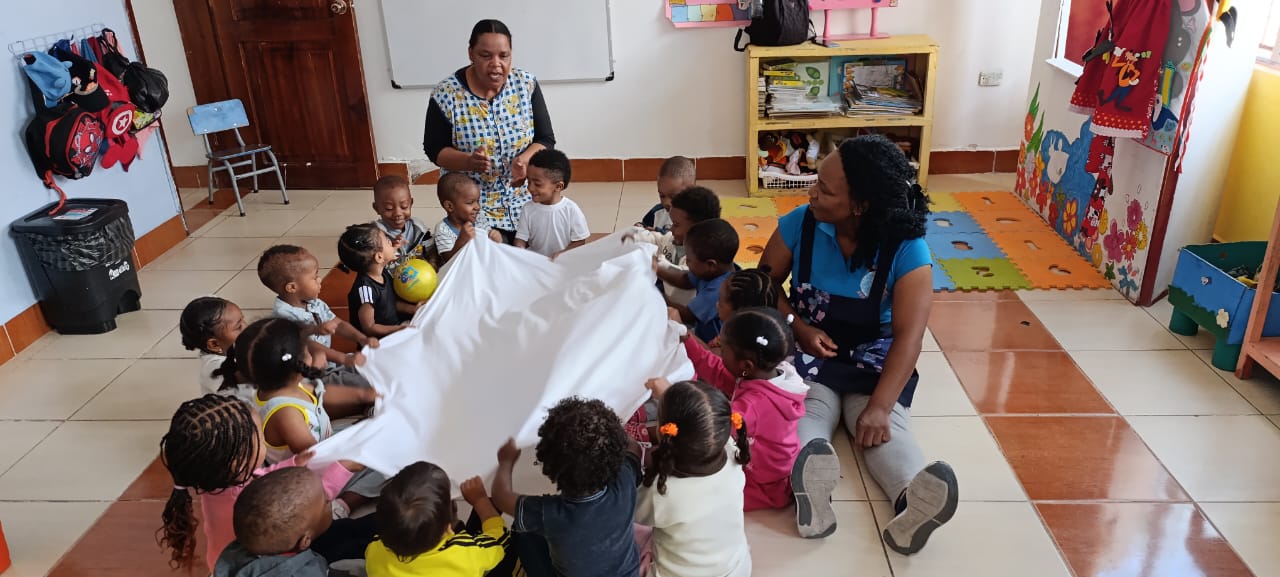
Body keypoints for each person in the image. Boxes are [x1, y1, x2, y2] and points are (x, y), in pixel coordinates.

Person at [758, 134, 958, 552]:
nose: (811, 192)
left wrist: (881, 407)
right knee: (806, 410)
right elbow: (764, 284)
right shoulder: (800, 224)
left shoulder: (907, 249)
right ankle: (812, 488)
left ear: (860, 205)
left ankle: (912, 502)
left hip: (874, 359)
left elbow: (909, 337)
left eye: (825, 189)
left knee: (880, 428)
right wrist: (798, 327)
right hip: (810, 351)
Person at [158, 395, 370, 572]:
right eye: (260, 436)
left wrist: (294, 463)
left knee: (355, 530)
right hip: (264, 565)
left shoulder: (217, 480)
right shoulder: (249, 501)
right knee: (347, 539)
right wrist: (343, 469)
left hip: (243, 556)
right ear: (238, 462)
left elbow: (262, 476)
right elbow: (307, 505)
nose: (264, 438)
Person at [220, 318, 381, 517]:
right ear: (301, 362)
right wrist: (355, 451)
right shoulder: (286, 413)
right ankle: (343, 505)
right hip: (308, 474)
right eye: (307, 349)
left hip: (322, 441)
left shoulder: (286, 384)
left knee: (369, 437)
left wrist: (364, 395)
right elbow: (317, 457)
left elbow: (322, 392)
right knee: (380, 463)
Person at [423, 19, 556, 242]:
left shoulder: (525, 84)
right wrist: (468, 161)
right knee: (493, 250)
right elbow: (434, 150)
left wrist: (524, 160)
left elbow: (545, 138)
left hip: (525, 197)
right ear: (471, 54)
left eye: (504, 56)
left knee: (550, 244)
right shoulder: (446, 94)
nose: (496, 64)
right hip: (474, 205)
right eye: (486, 56)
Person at [491, 397, 641, 577]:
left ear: (550, 468)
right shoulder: (625, 481)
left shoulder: (550, 514)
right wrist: (614, 431)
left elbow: (500, 496)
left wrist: (506, 462)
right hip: (628, 573)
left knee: (521, 530)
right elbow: (634, 447)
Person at [680, 306, 807, 510]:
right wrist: (687, 339)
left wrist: (669, 396)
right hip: (776, 469)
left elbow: (713, 426)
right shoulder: (770, 374)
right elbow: (716, 370)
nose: (718, 349)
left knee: (699, 491)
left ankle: (801, 497)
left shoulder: (755, 404)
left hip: (766, 485)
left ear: (746, 366)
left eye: (723, 350)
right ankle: (800, 487)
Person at [635, 379, 751, 577]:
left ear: (664, 432)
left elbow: (632, 511)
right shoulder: (732, 451)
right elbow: (703, 426)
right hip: (736, 569)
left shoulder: (661, 493)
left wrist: (633, 455)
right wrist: (670, 396)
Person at [365, 462, 511, 577]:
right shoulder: (465, 556)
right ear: (448, 528)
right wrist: (480, 501)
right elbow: (500, 539)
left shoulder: (374, 552)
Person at [259, 245, 375, 387]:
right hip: (313, 375)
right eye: (314, 277)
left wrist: (361, 338)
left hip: (331, 362)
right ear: (292, 287)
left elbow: (338, 324)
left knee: (373, 363)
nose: (320, 280)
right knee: (367, 383)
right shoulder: (283, 317)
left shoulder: (313, 302)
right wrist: (343, 359)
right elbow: (311, 346)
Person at [212, 467, 334, 577]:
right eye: (326, 501)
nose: (329, 500)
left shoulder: (233, 553)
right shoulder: (308, 572)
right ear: (305, 541)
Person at [629, 186, 721, 306]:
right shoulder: (676, 239)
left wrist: (657, 264)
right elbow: (659, 240)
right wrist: (637, 237)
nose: (671, 229)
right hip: (666, 297)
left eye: (676, 225)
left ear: (697, 229)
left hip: (683, 309)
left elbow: (683, 277)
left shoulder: (701, 260)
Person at [658, 219, 739, 342]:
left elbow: (688, 315)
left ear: (710, 265)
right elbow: (685, 280)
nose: (686, 263)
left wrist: (658, 297)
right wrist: (657, 269)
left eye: (689, 260)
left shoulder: (720, 289)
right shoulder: (712, 270)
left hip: (712, 344)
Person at [338, 224, 418, 338]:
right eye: (387, 241)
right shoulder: (365, 290)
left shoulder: (381, 272)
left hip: (394, 328)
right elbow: (369, 327)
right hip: (381, 341)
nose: (391, 242)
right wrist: (399, 329)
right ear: (379, 257)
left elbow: (390, 303)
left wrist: (414, 309)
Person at [514, 148, 590, 258]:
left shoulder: (571, 210)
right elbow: (520, 239)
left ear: (558, 186)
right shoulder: (528, 209)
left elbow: (580, 241)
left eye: (537, 184)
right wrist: (519, 252)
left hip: (562, 263)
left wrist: (562, 255)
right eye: (529, 182)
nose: (530, 188)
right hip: (535, 263)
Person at [179, 296, 254, 405]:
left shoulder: (234, 350)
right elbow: (253, 391)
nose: (247, 327)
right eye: (238, 327)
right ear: (214, 344)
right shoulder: (215, 369)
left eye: (243, 319)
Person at [434, 172, 503, 263]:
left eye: (477, 201)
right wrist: (462, 241)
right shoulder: (443, 229)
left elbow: (489, 250)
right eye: (470, 202)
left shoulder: (479, 220)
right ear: (450, 206)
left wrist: (495, 241)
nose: (477, 207)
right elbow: (448, 260)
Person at [371, 175, 431, 271]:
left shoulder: (419, 229)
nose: (398, 213)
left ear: (411, 203)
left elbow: (431, 252)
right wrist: (390, 248)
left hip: (420, 276)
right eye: (389, 208)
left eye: (404, 206)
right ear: (377, 208)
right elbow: (371, 264)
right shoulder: (375, 234)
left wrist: (432, 267)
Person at [635, 156, 696, 233]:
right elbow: (646, 226)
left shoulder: (696, 216)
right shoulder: (657, 211)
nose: (666, 202)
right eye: (662, 196)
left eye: (673, 196)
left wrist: (660, 233)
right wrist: (640, 226)